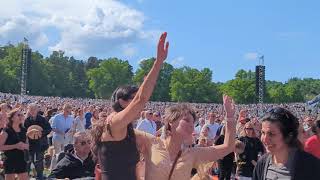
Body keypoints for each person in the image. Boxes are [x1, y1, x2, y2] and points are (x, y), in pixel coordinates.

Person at [91, 32, 169, 180]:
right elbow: (141, 99)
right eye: (132, 99)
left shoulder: (126, 128)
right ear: (121, 101)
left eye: (135, 99)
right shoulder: (113, 124)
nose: (138, 104)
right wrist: (158, 62)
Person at [135, 95, 236, 180]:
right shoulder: (151, 143)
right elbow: (120, 127)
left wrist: (230, 118)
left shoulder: (192, 153)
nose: (192, 125)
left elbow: (228, 147)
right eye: (186, 120)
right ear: (171, 121)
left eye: (193, 122)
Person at [253, 107, 320, 180]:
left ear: (288, 136)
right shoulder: (262, 163)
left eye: (271, 134)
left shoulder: (310, 165)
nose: (264, 139)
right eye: (263, 133)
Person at [24, 103, 52, 180]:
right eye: (31, 109)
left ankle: (39, 176)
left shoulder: (43, 119)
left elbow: (49, 129)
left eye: (34, 109)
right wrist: (30, 133)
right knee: (28, 161)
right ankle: (26, 176)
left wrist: (40, 133)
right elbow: (24, 132)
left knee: (39, 161)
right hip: (30, 144)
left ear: (37, 110)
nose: (32, 111)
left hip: (41, 143)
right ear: (28, 110)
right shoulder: (26, 120)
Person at [0, 108, 29, 180]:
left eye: (22, 115)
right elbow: (0, 147)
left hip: (22, 159)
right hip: (10, 159)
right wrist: (15, 146)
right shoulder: (6, 131)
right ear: (12, 118)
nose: (21, 116)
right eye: (18, 115)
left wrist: (25, 146)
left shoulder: (24, 130)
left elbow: (28, 145)